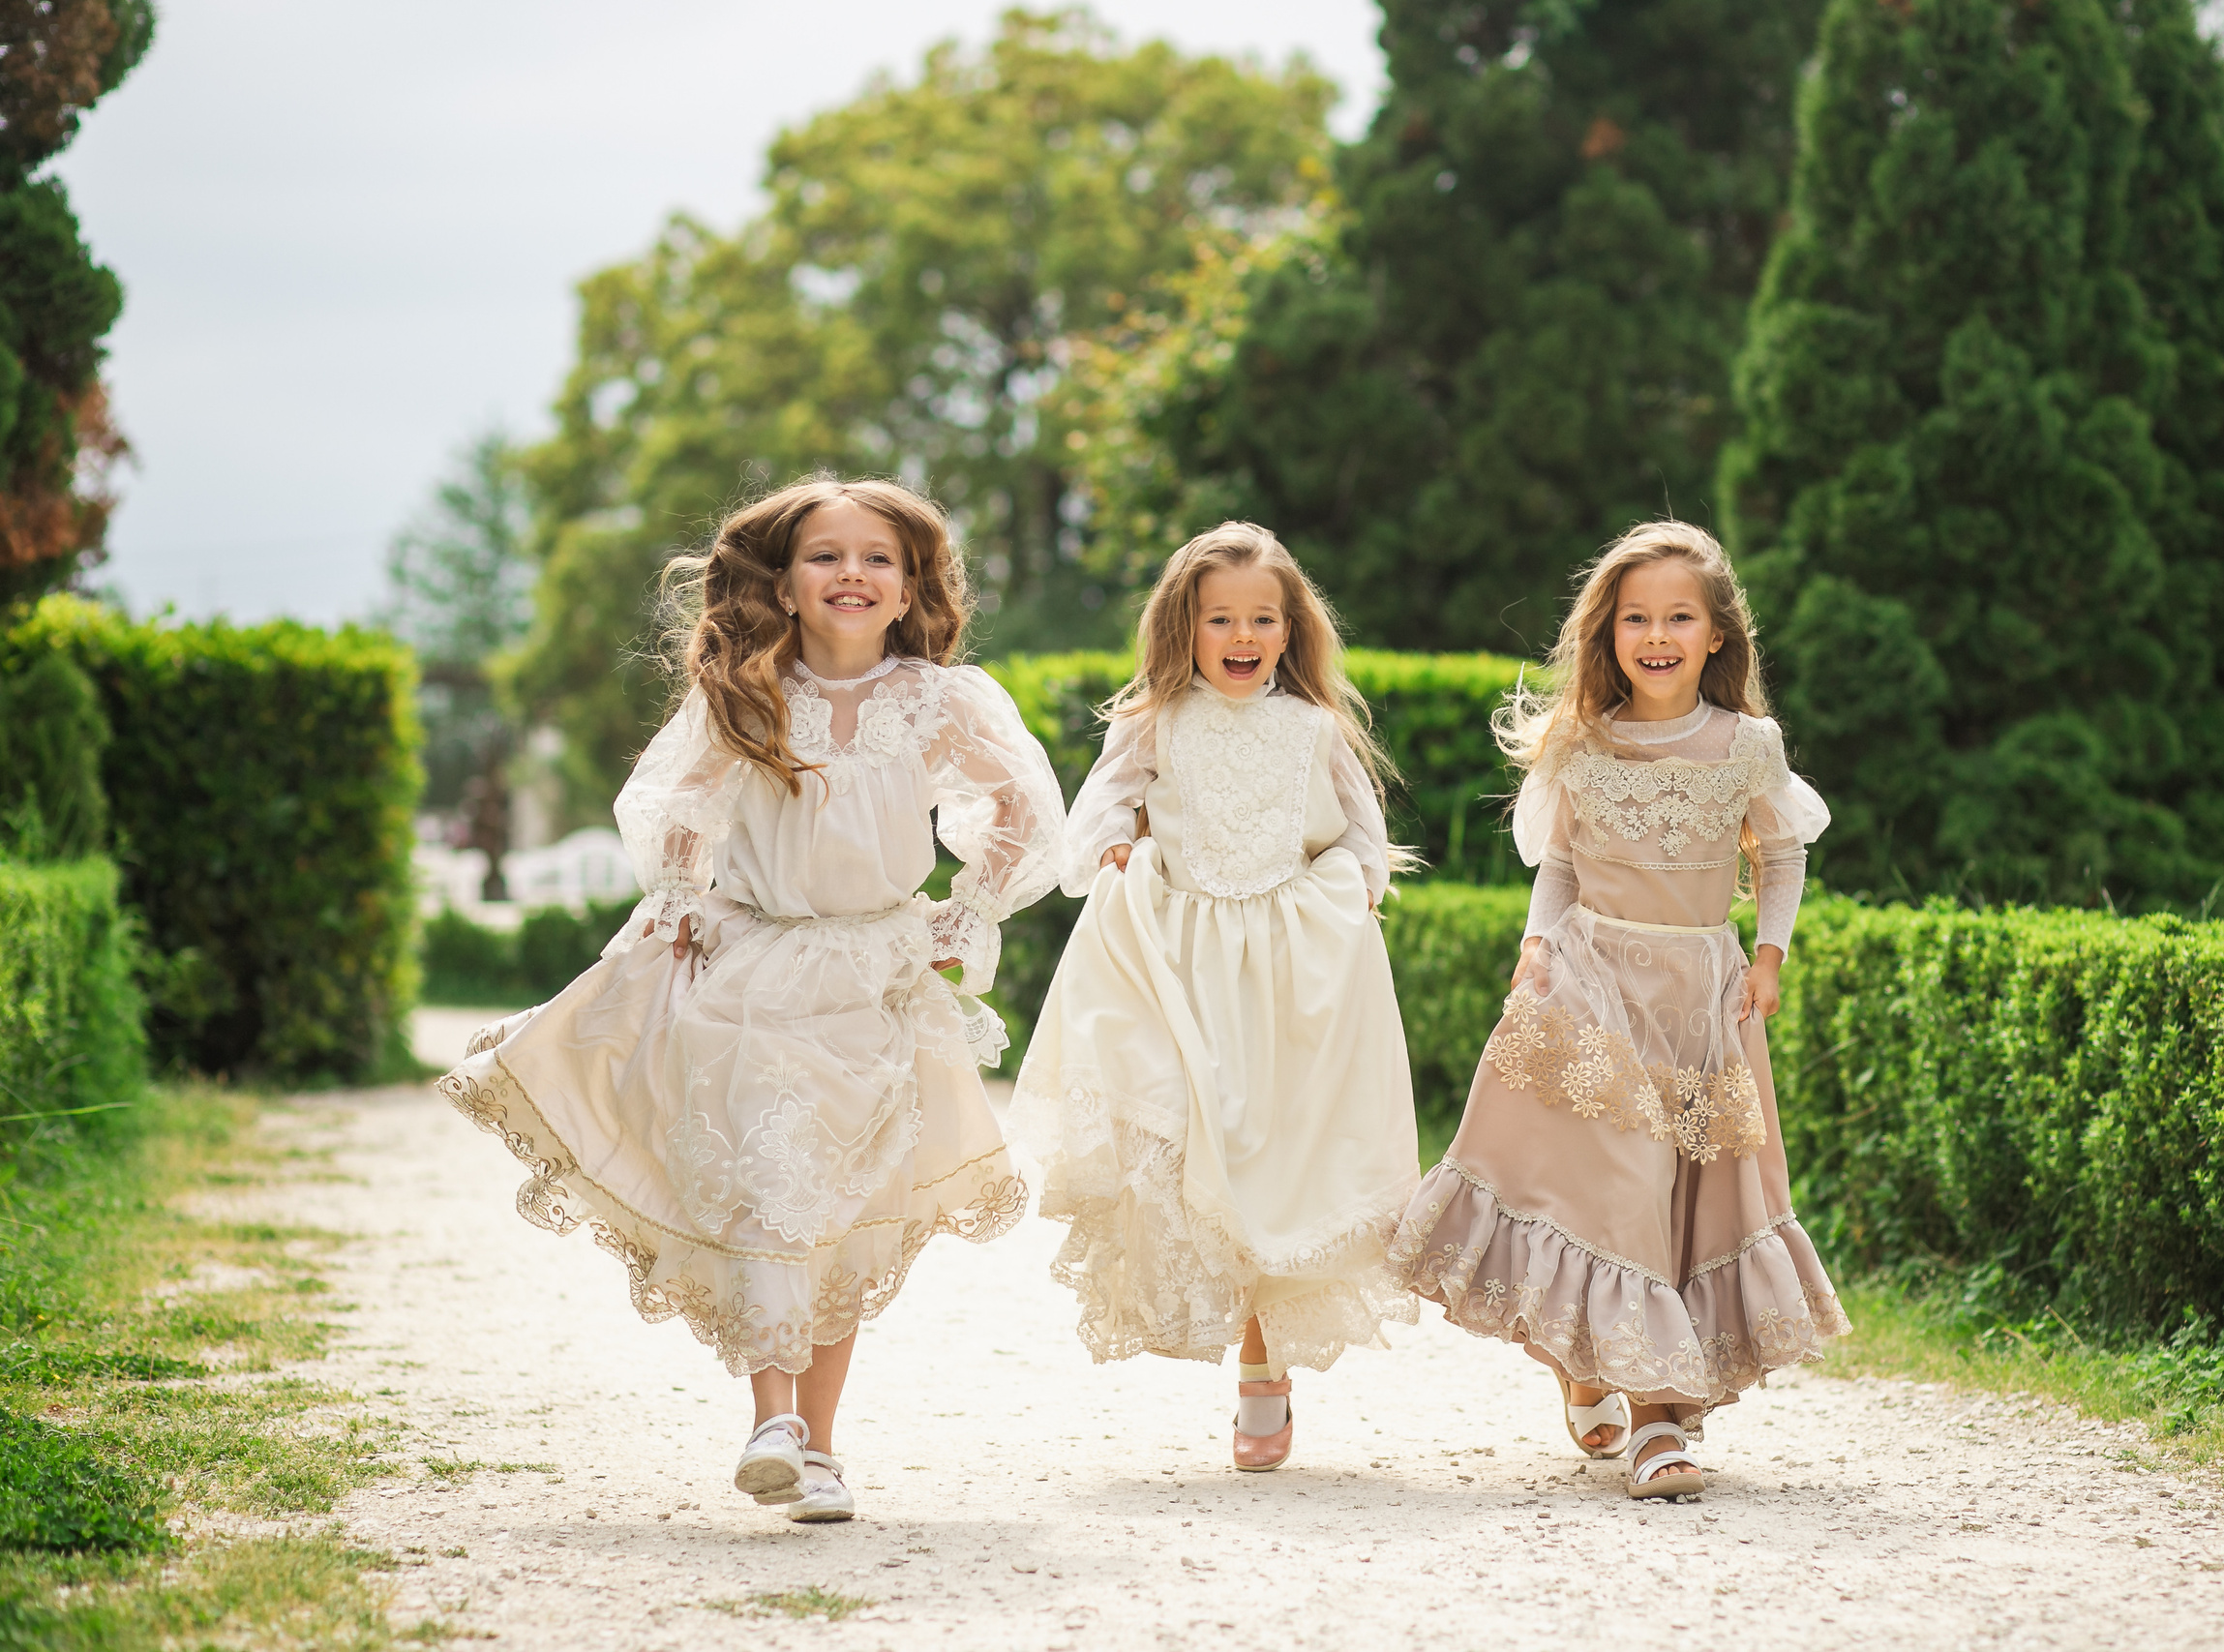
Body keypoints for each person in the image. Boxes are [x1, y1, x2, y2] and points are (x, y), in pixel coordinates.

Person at [436, 477, 1063, 1523]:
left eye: (878, 559)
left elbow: (1022, 808)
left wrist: (968, 910)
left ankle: (819, 1450)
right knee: (774, 1183)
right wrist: (681, 897)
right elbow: (681, 802)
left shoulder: (940, 702)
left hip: (876, 981)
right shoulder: (750, 689)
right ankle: (772, 1421)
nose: (852, 574)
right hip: (757, 974)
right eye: (826, 555)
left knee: (845, 1215)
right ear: (785, 580)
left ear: (910, 589)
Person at [1387, 519, 1847, 1501]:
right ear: (1608, 635)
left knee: (1679, 1201)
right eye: (1635, 617)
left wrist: (1768, 954)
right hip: (1593, 982)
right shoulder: (1581, 742)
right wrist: (1537, 945)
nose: (1656, 634)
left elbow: (1784, 852)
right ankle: (1649, 1424)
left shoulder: (1746, 745)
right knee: (1616, 1185)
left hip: (1696, 997)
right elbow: (1557, 864)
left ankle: (1621, 1379)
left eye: (1678, 616)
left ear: (1716, 634)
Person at [1011, 522, 1421, 1471]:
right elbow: (1104, 802)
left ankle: (1263, 1372)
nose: (1243, 637)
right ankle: (1210, 1311)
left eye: (1262, 619)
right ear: (1183, 628)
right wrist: (1116, 837)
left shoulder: (1312, 730)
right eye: (1220, 619)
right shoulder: (1153, 719)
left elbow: (1360, 836)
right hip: (1180, 960)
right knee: (1191, 1144)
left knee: (1277, 1159)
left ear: (1290, 630)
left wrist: (1355, 889)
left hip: (1287, 971)